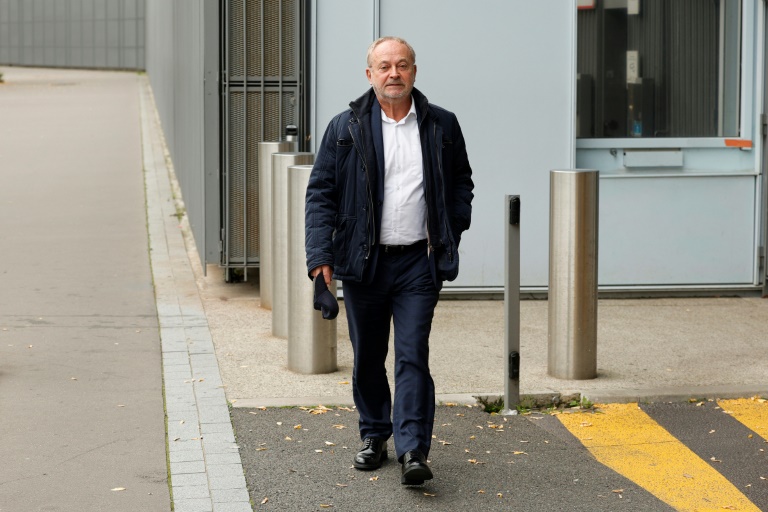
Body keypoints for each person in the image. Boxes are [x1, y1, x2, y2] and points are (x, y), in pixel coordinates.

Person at [304, 36, 474, 485]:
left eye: (402, 65)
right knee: (368, 356)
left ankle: (413, 448)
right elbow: (321, 193)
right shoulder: (345, 127)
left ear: (414, 71)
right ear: (370, 75)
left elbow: (461, 182)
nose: (393, 73)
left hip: (420, 262)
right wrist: (320, 255)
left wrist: (451, 229)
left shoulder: (442, 125)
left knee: (412, 354)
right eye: (384, 66)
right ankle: (375, 434)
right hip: (365, 263)